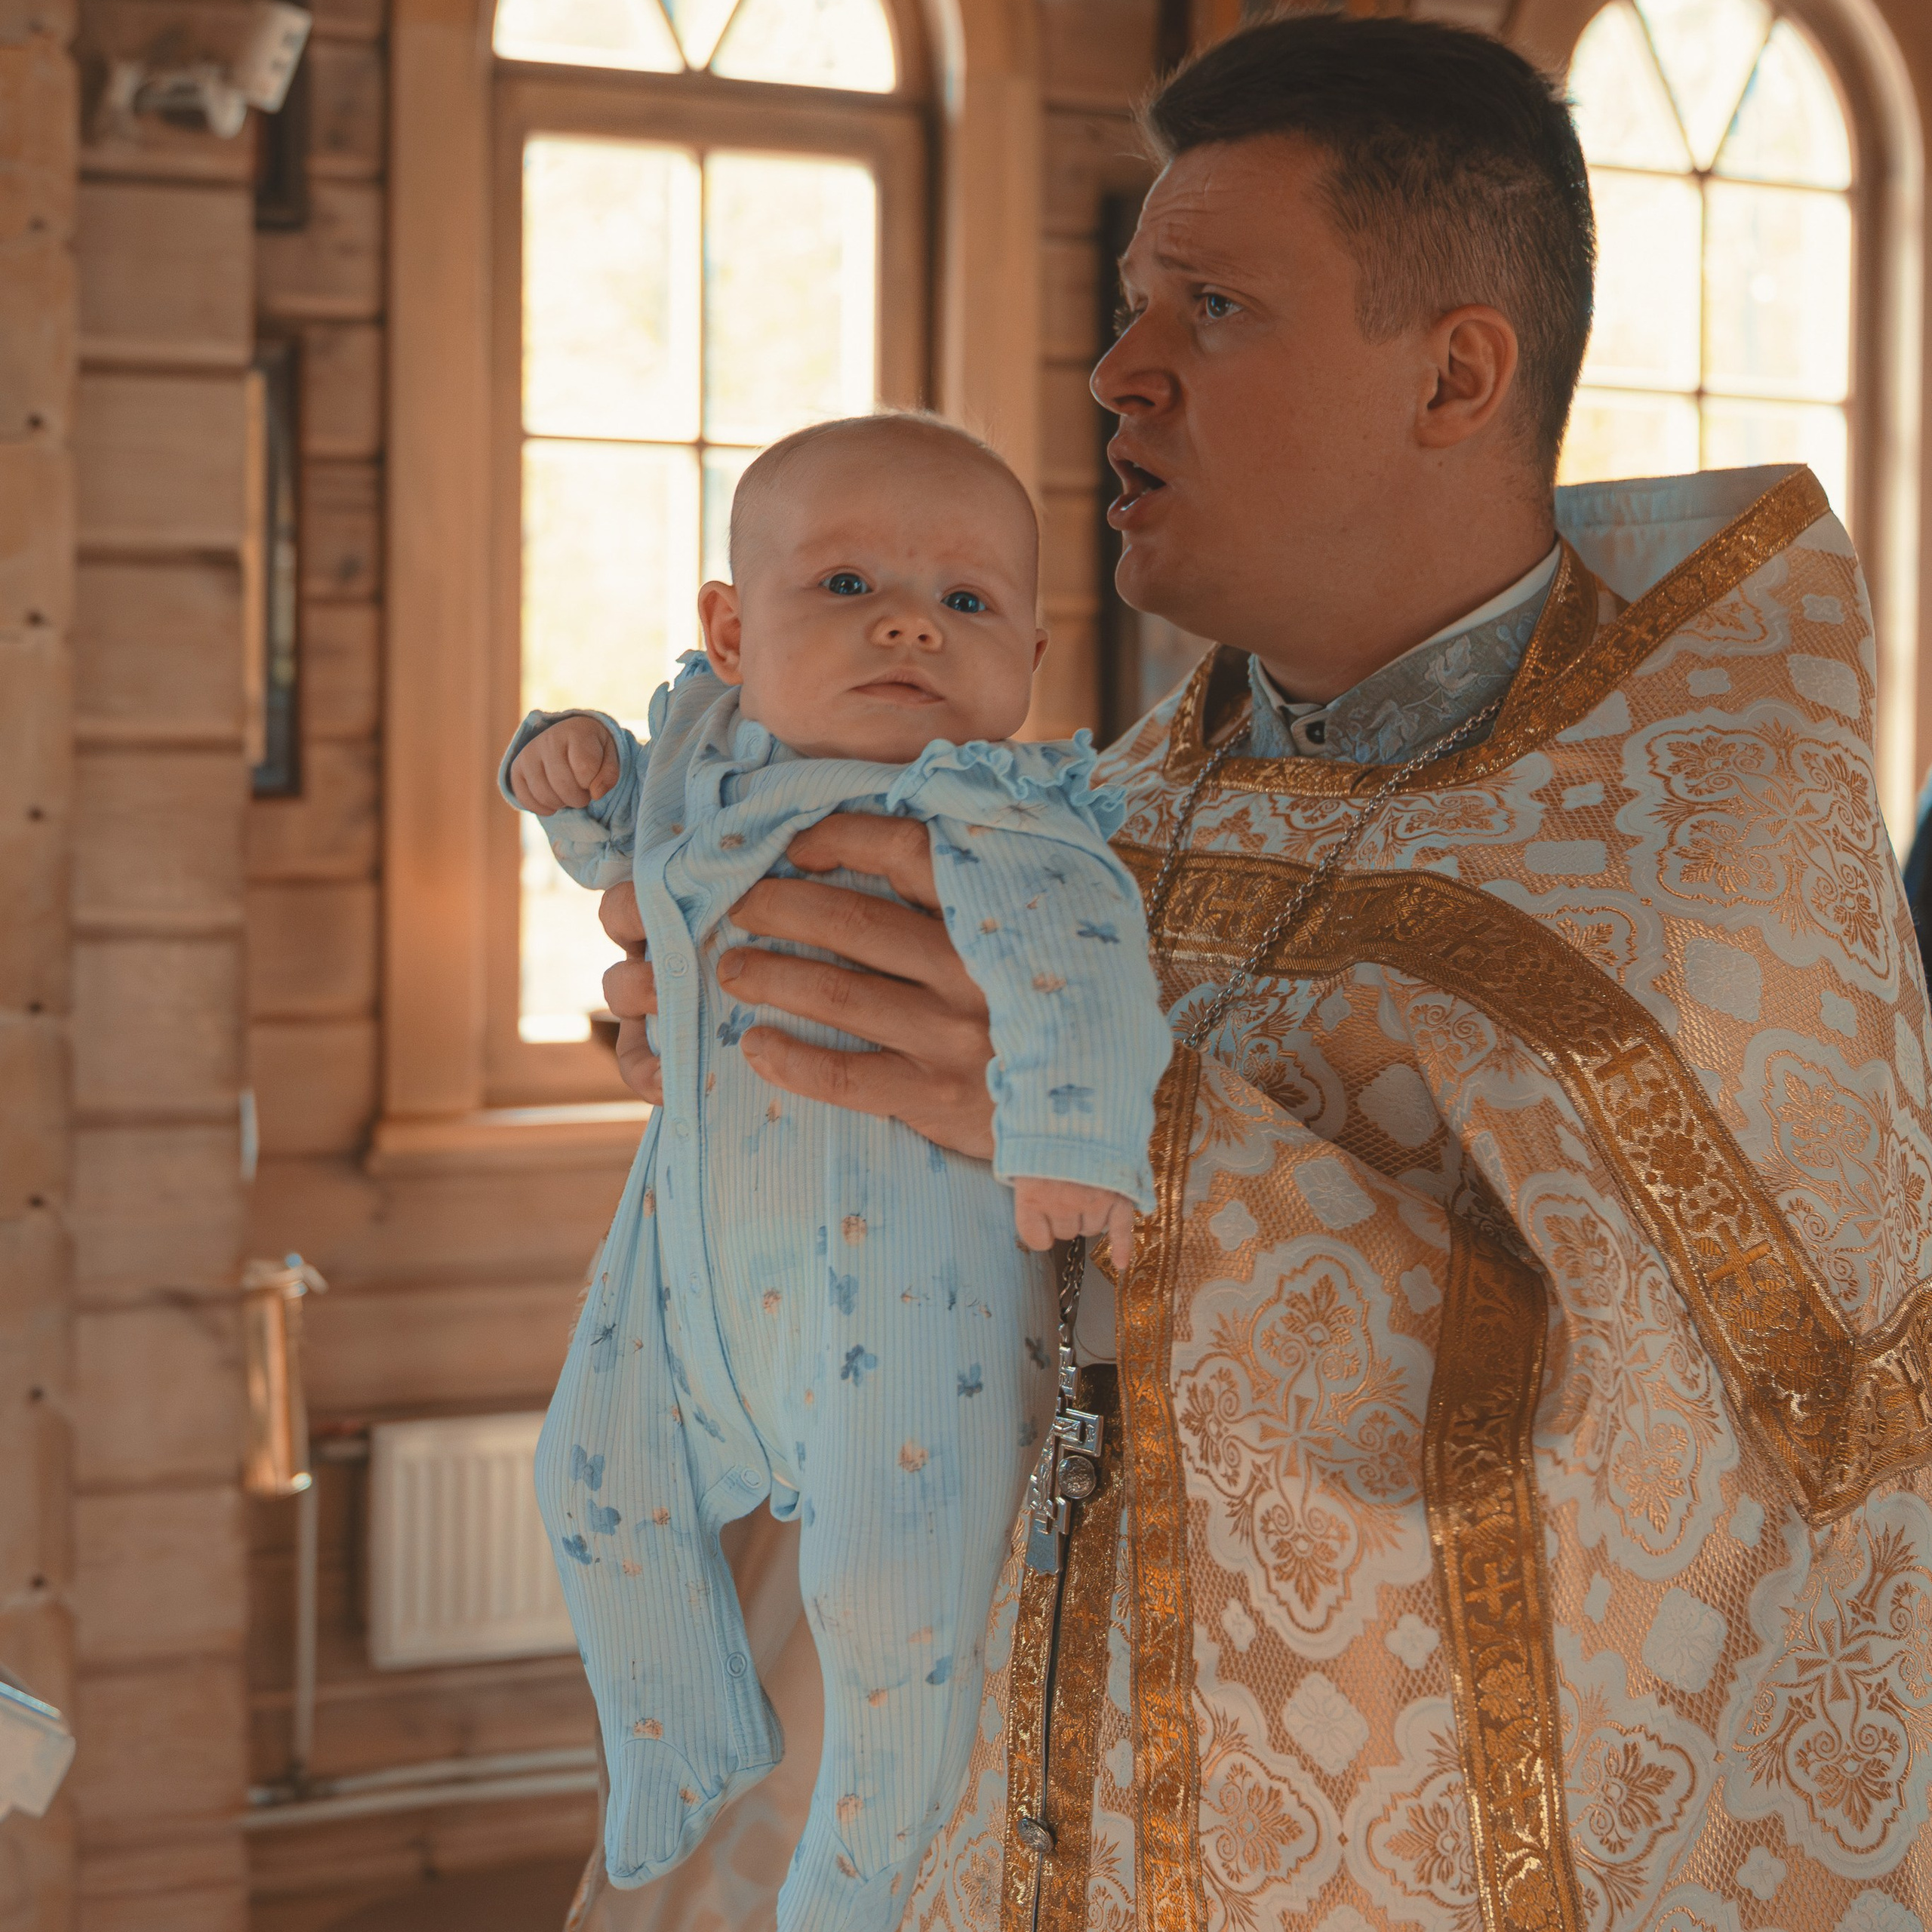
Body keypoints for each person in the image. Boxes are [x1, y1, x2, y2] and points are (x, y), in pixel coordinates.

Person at [580, 16, 1932, 1932]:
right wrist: (759, 1065)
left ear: (1453, 373)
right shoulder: (1097, 807)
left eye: (1208, 307)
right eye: (1136, 306)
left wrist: (1139, 1142)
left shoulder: (1708, 863)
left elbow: (1741, 1470)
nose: (1116, 370)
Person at [509, 414, 1171, 1932]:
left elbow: (1084, 970)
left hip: (909, 1283)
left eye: (964, 602)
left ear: (1030, 652)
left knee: (893, 1590)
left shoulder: (1005, 819)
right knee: (589, 1484)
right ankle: (677, 1746)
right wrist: (570, 773)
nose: (905, 621)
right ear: (730, 632)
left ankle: (865, 1864)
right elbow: (617, 851)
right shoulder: (708, 768)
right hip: (685, 1254)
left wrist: (1070, 1142)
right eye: (850, 582)